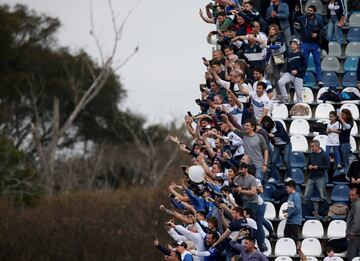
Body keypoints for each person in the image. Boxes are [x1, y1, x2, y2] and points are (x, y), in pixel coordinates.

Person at [294, 5, 325, 87]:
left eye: (310, 11)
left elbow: (323, 30)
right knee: (304, 63)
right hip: (305, 43)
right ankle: (301, 79)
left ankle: (319, 80)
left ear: (314, 12)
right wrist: (296, 11)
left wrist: (317, 34)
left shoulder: (319, 19)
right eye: (308, 10)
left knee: (317, 62)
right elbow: (296, 18)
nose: (309, 12)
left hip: (315, 44)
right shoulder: (303, 18)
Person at [261, 116, 292, 182]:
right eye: (264, 123)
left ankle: (289, 176)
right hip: (277, 145)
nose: (266, 125)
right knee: (273, 160)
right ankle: (272, 177)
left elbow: (282, 133)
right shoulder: (266, 128)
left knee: (286, 160)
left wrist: (273, 135)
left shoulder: (278, 123)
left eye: (267, 123)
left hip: (286, 143)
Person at [277, 38, 306, 103]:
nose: (292, 45)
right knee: (280, 82)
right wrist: (286, 72)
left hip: (298, 76)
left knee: (299, 95)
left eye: (294, 44)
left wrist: (297, 71)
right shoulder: (289, 54)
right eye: (291, 44)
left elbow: (304, 66)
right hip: (290, 74)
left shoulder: (301, 54)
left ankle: (300, 108)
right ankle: (286, 98)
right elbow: (288, 66)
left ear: (298, 45)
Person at [266, 24, 286, 99]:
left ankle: (286, 93)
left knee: (284, 76)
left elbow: (277, 47)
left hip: (283, 58)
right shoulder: (269, 39)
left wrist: (268, 46)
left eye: (273, 29)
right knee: (276, 76)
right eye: (270, 29)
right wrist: (266, 61)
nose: (271, 31)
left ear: (276, 30)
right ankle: (279, 94)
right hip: (275, 59)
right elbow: (268, 51)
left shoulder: (279, 37)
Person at [283, 180, 302, 250]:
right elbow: (291, 206)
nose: (286, 189)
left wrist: (289, 213)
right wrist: (286, 210)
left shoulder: (296, 196)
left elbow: (297, 208)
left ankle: (297, 251)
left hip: (295, 220)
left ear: (291, 187)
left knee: (294, 236)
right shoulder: (290, 195)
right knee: (286, 234)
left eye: (287, 188)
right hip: (289, 220)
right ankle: (288, 249)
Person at [346, 187, 360, 261]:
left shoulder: (357, 205)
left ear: (358, 195)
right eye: (350, 195)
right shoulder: (354, 204)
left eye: (353, 195)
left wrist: (352, 233)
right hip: (356, 235)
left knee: (352, 255)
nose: (350, 197)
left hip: (355, 236)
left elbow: (357, 221)